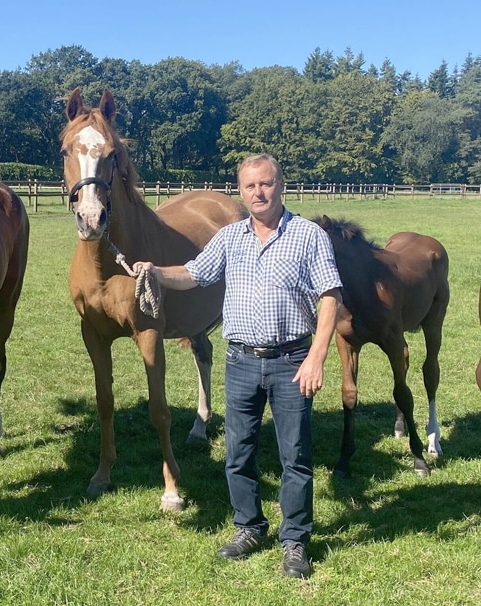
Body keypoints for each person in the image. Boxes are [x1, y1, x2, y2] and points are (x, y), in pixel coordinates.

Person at [133, 154, 342, 579]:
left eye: (265, 184)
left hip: (291, 361)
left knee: (295, 458)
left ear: (280, 185)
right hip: (241, 360)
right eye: (249, 187)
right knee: (237, 453)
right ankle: (249, 526)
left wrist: (318, 355)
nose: (258, 193)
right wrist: (154, 271)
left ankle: (295, 541)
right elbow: (194, 273)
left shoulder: (307, 236)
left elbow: (330, 296)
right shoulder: (231, 238)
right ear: (241, 191)